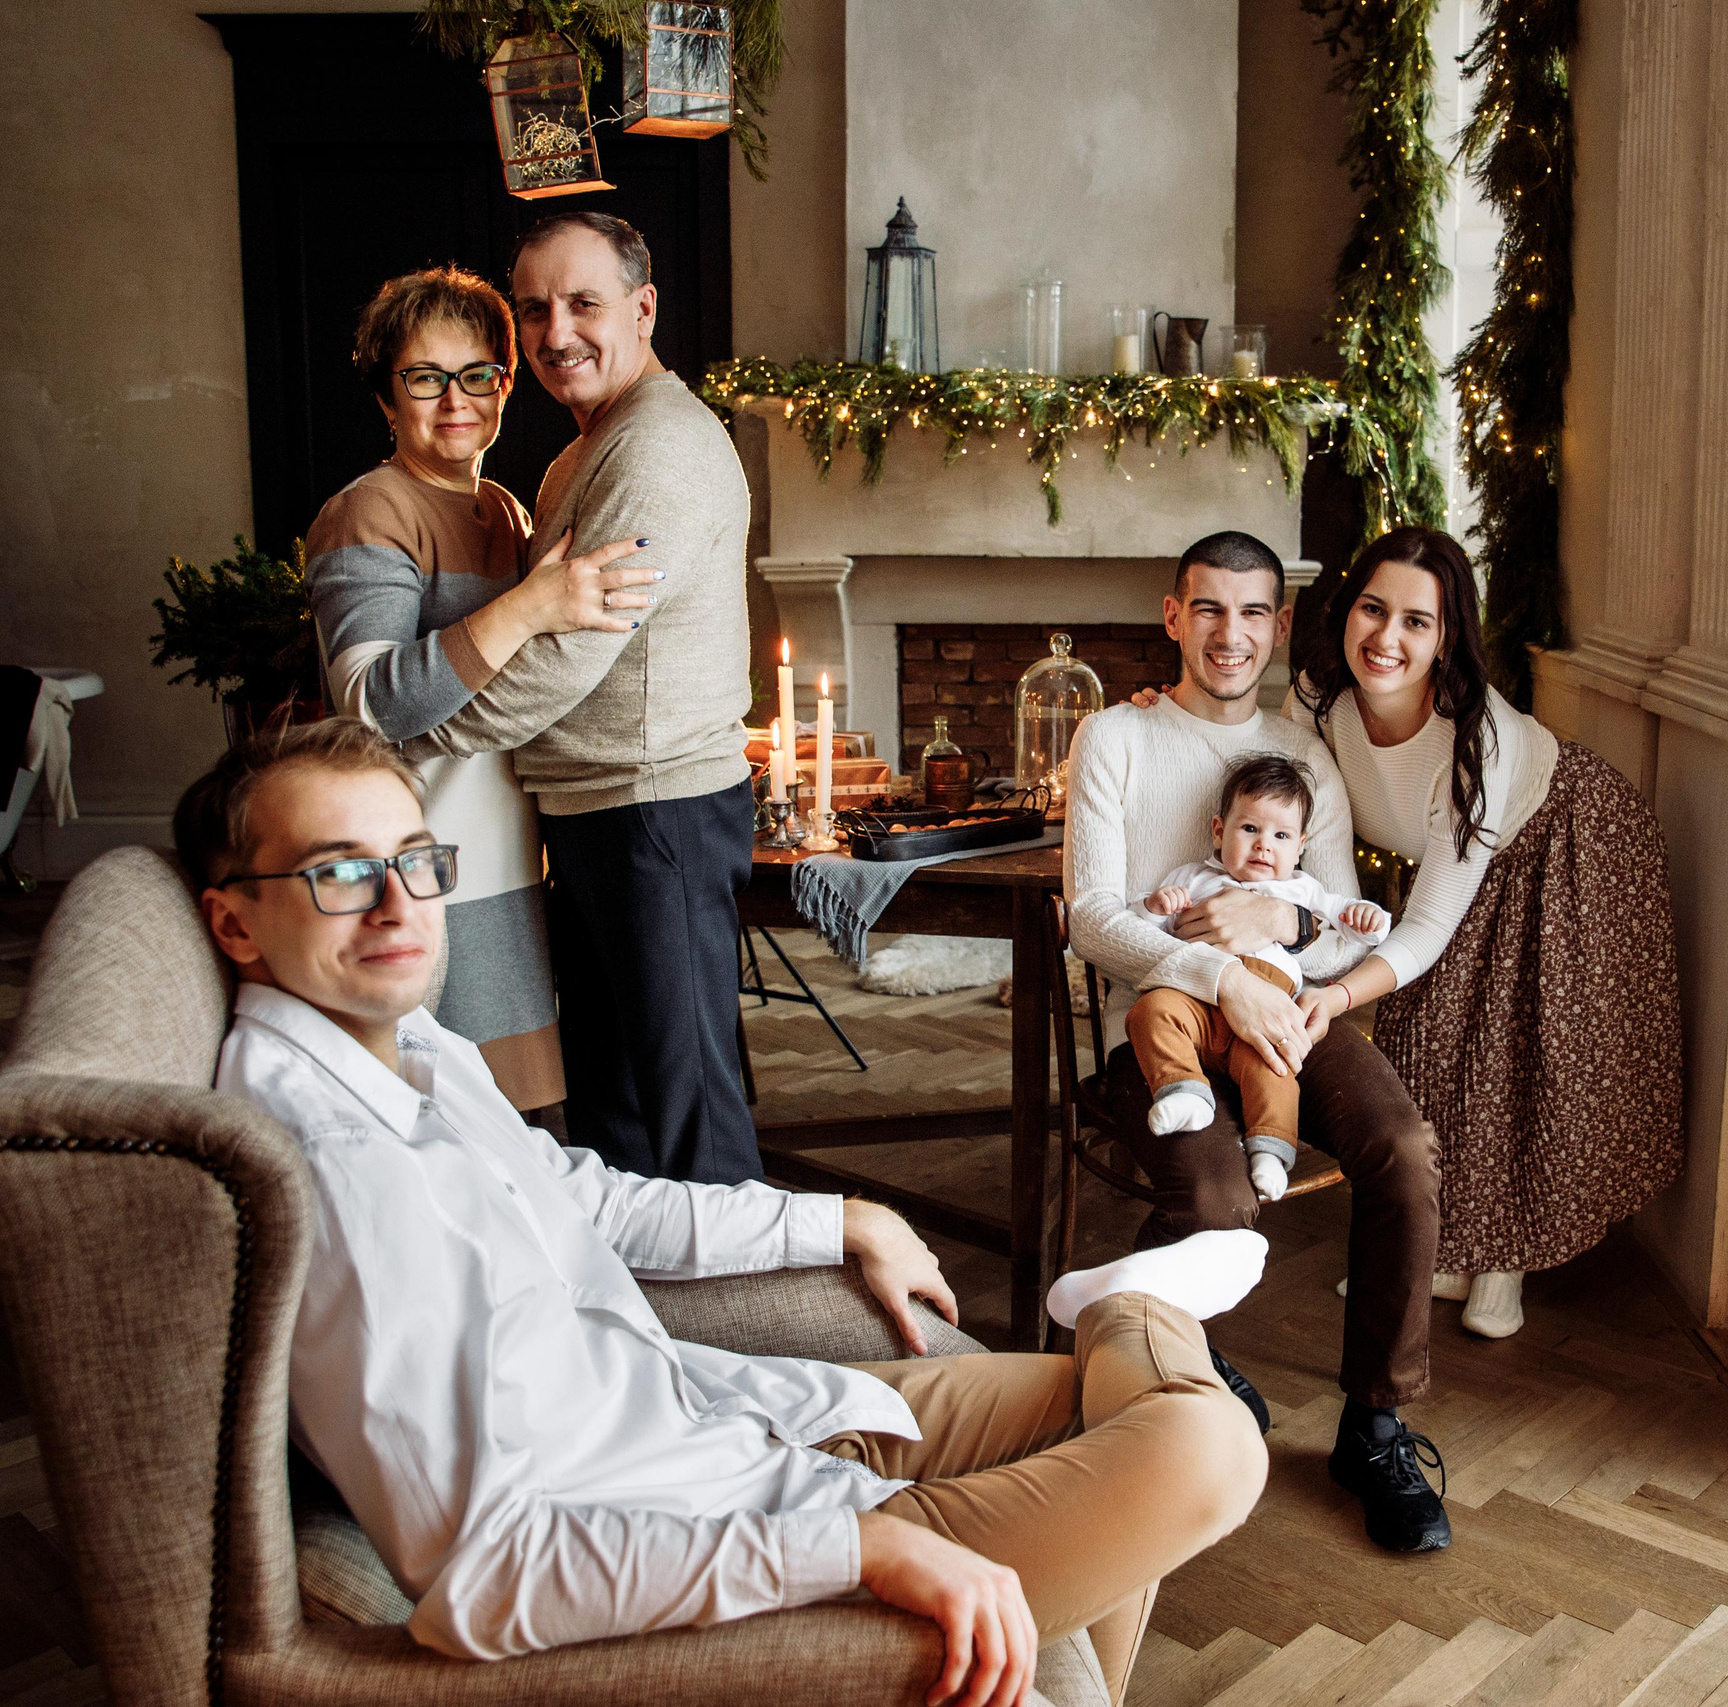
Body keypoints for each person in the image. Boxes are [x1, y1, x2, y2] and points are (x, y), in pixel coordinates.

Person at [180, 719, 1269, 1705]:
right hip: (728, 1533)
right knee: (1207, 1449)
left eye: (416, 863)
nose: (397, 905)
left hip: (728, 1423)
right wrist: (862, 1555)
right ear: (232, 922)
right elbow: (487, 1569)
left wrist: (836, 1217)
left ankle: (1121, 1319)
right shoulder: (328, 1169)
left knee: (1085, 1400)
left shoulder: (409, 1047)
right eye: (340, 874)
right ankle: (1129, 1307)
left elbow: (580, 1195)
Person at [1063, 529, 1454, 1555]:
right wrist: (1217, 973)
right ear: (1172, 617)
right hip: (1164, 1033)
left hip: (1291, 1016)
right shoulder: (1116, 738)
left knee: (1403, 1151)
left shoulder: (1305, 752)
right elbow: (1094, 917)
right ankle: (1179, 1358)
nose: (1228, 634)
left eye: (1250, 613)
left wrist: (1276, 930)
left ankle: (1374, 1425)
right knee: (1217, 1195)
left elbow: (1340, 914)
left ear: (1280, 626)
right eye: (1206, 609)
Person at [405, 212, 761, 1185]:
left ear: (643, 309)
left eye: (584, 304)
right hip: (604, 810)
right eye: (534, 309)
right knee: (620, 1107)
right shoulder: (585, 449)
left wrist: (410, 733)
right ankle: (638, 1320)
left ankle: (759, 1324)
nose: (555, 331)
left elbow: (563, 660)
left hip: (660, 815)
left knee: (690, 1113)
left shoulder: (656, 447)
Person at [1288, 527, 1685, 1340]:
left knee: (1522, 1046)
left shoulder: (1477, 735)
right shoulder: (1316, 698)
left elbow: (1428, 922)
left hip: (1569, 833)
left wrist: (1333, 994)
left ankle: (1504, 1266)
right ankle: (1446, 1249)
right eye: (1373, 609)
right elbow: (1266, 782)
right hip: (1473, 861)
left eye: (1416, 622)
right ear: (1346, 609)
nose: (1387, 639)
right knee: (1424, 1037)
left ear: (1447, 637)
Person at [305, 264, 656, 1117]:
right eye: (425, 378)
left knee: (530, 1133)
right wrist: (530, 605)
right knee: (454, 1128)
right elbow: (372, 703)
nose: (454, 399)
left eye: (478, 375)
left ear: (504, 385)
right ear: (388, 399)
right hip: (423, 877)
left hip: (504, 867)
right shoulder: (370, 511)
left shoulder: (502, 508)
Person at [1130, 753, 1392, 1202]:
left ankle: (1270, 1150)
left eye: (1281, 835)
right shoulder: (1193, 878)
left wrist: (1368, 917)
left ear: (1301, 845)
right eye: (1249, 829)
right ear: (1219, 830)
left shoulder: (1304, 890)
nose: (1263, 846)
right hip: (1196, 998)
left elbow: (1347, 930)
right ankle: (1185, 1091)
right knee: (1150, 1012)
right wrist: (1155, 907)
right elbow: (1138, 930)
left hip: (1269, 1011)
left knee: (1276, 1068)